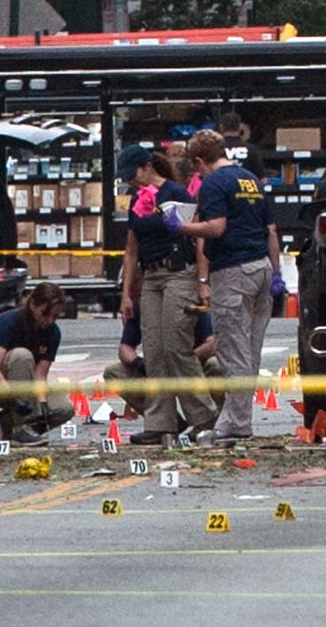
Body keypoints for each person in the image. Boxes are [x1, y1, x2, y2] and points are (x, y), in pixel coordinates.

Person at [167, 129, 282, 442]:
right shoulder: (250, 180)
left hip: (233, 271)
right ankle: (234, 421)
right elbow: (271, 230)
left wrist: (182, 227)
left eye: (196, 166)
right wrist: (276, 272)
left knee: (233, 352)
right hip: (261, 268)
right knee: (250, 352)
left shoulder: (214, 183)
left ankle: (237, 424)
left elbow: (216, 228)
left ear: (200, 161)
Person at [116, 145, 217, 445]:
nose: (130, 182)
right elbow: (131, 248)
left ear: (148, 166)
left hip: (179, 273)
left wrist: (202, 281)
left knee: (176, 345)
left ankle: (204, 417)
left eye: (132, 174)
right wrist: (126, 294)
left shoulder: (176, 193)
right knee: (155, 350)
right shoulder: (136, 200)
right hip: (151, 276)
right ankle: (161, 423)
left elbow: (197, 239)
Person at [0, 283, 72, 446]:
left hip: (23, 387)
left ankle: (6, 423)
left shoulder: (53, 333)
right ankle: (20, 428)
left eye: (55, 316)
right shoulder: (8, 321)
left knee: (64, 408)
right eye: (45, 314)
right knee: (22, 355)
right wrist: (13, 397)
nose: (49, 320)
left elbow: (40, 375)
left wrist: (42, 406)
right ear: (32, 304)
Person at [218, 112, 267, 183]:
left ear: (221, 127)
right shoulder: (251, 149)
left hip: (222, 190)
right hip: (246, 191)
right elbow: (263, 180)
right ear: (240, 127)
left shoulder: (216, 149)